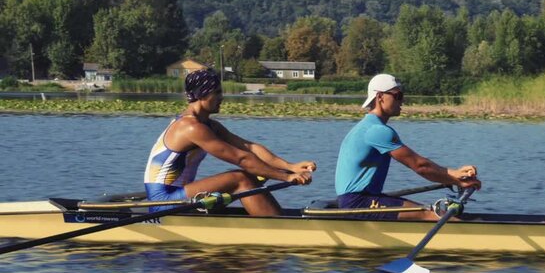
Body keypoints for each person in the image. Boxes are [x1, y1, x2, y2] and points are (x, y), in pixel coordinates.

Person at [144, 69, 315, 215]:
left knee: (251, 176)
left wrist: (290, 167)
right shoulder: (190, 127)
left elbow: (250, 148)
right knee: (240, 178)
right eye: (217, 92)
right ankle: (279, 228)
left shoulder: (209, 125)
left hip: (179, 194)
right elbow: (242, 159)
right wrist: (286, 177)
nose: (222, 97)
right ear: (201, 94)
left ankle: (270, 219)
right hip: (162, 201)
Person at [335, 74, 481, 220]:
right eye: (397, 95)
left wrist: (452, 176)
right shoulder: (377, 131)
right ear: (380, 97)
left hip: (361, 199)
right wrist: (455, 177)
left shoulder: (368, 127)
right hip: (358, 202)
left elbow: (422, 166)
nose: (402, 100)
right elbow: (420, 166)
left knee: (431, 212)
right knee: (428, 214)